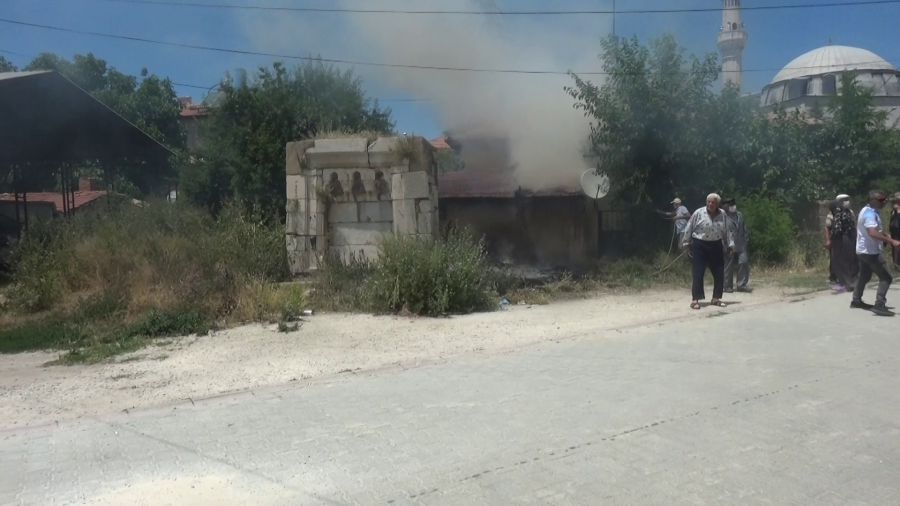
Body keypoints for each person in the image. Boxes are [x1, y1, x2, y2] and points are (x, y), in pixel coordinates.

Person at [851, 190, 900, 316]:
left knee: (864, 275)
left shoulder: (866, 211)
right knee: (886, 277)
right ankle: (880, 304)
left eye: (884, 199)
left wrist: (883, 235)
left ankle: (856, 300)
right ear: (872, 200)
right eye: (881, 200)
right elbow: (872, 232)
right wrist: (891, 241)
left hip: (862, 250)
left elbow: (870, 231)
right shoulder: (869, 214)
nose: (884, 202)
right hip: (871, 252)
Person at [682, 193, 734, 310]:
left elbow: (727, 230)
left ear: (717, 204)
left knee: (719, 272)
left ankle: (716, 298)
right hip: (700, 244)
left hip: (716, 244)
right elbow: (689, 226)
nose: (710, 204)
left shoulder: (723, 215)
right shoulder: (699, 213)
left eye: (713, 202)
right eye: (708, 202)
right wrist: (686, 242)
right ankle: (695, 300)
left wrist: (730, 245)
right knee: (698, 272)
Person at [828, 194, 858, 293]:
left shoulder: (846, 213)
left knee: (846, 261)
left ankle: (847, 283)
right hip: (845, 238)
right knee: (844, 261)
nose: (847, 202)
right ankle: (847, 283)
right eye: (844, 200)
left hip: (846, 239)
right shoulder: (841, 213)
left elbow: (851, 226)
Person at [722, 198, 750, 293]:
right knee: (728, 265)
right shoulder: (723, 217)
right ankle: (727, 286)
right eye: (730, 204)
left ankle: (741, 284)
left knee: (743, 262)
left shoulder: (740, 215)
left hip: (741, 243)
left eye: (733, 204)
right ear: (725, 206)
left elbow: (744, 228)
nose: (732, 206)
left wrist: (746, 240)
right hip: (729, 245)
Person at [890, 192, 900, 269]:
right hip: (895, 235)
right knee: (896, 252)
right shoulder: (893, 212)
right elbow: (893, 224)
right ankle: (896, 266)